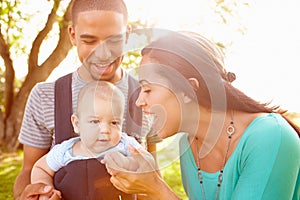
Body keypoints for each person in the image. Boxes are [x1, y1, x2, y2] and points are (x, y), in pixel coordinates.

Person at [102, 30, 300, 200]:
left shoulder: (270, 137)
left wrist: (156, 189)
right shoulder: (188, 146)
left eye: (148, 89)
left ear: (189, 89)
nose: (139, 102)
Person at [14, 0, 160, 199]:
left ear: (127, 36)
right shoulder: (45, 96)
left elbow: (154, 174)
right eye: (89, 41)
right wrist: (31, 194)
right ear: (73, 35)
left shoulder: (148, 96)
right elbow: (29, 170)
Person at [31, 81, 142, 199]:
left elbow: (147, 164)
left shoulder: (126, 145)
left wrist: (128, 163)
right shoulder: (65, 151)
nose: (105, 130)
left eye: (114, 122)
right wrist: (46, 192)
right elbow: (41, 168)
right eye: (95, 121)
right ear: (77, 124)